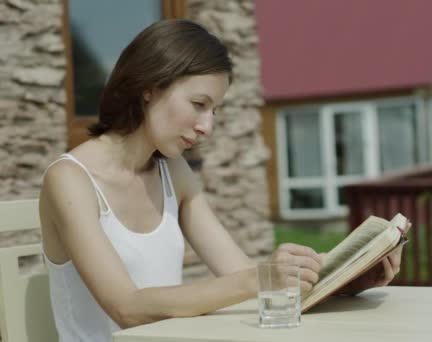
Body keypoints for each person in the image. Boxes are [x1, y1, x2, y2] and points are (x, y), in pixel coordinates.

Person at [38, 19, 402, 341]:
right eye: (198, 104)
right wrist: (261, 277)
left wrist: (345, 282)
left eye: (214, 111)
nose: (206, 127)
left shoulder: (173, 173)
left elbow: (240, 273)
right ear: (149, 86)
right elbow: (127, 307)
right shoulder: (70, 180)